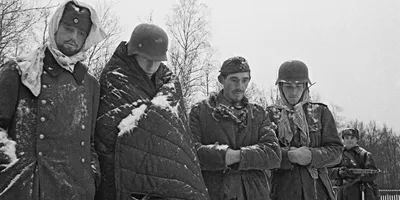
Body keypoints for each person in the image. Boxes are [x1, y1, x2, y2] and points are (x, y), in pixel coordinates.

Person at [0, 0, 106, 199]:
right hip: (27, 187)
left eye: (81, 33)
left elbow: (89, 141)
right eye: (68, 29)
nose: (73, 37)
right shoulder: (21, 70)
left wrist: (91, 173)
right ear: (56, 27)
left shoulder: (90, 84)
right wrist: (12, 165)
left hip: (76, 189)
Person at [94, 23, 209, 200]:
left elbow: (180, 137)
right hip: (126, 177)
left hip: (164, 177)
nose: (151, 65)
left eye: (157, 60)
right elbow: (107, 134)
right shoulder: (115, 77)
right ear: (133, 53)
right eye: (146, 58)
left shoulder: (170, 83)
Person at [189, 56, 282, 200]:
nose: (240, 86)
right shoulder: (200, 111)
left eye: (245, 80)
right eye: (234, 80)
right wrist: (223, 156)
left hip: (254, 193)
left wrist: (237, 156)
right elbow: (191, 152)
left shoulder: (258, 113)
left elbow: (273, 154)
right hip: (215, 192)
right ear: (221, 80)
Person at [267, 60, 343, 200]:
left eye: (299, 86)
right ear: (281, 88)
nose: (294, 92)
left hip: (317, 191)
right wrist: (289, 156)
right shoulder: (269, 115)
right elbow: (265, 155)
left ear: (306, 87)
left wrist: (312, 156)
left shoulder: (320, 112)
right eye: (289, 87)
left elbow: (337, 152)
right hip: (281, 191)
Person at [329, 128, 380, 200]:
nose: (349, 140)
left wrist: (357, 175)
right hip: (341, 193)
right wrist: (339, 172)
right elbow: (328, 172)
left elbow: (373, 174)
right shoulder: (338, 155)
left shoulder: (364, 155)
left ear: (357, 139)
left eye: (352, 138)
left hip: (360, 193)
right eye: (347, 138)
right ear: (343, 139)